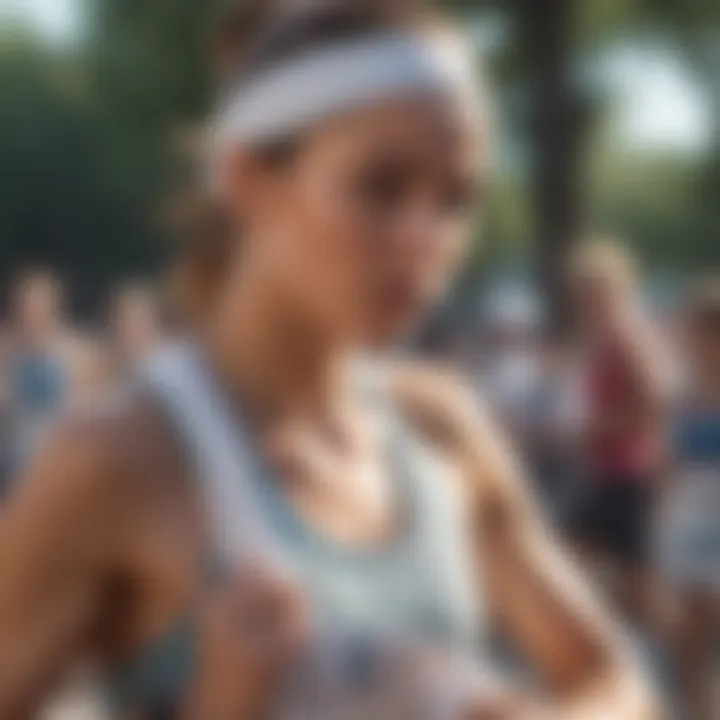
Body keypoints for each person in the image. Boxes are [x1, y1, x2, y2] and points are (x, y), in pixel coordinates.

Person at [0, 2, 657, 718]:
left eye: (457, 199)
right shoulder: (122, 458)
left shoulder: (440, 426)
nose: (424, 239)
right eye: (382, 187)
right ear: (247, 178)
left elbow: (613, 677)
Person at [567, 239, 671, 627]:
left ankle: (687, 649)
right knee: (573, 572)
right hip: (607, 474)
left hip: (629, 475)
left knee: (638, 594)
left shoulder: (628, 337)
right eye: (582, 291)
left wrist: (593, 428)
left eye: (594, 290)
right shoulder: (608, 339)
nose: (585, 300)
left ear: (619, 289)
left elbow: (656, 404)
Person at [660, 279, 720, 720]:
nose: (693, 340)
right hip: (686, 518)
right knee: (687, 638)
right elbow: (669, 459)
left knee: (704, 624)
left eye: (701, 332)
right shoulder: (684, 388)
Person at [0, 268, 101, 487]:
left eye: (39, 306)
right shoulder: (5, 351)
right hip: (11, 468)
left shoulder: (76, 353)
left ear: (54, 309)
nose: (32, 314)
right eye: (26, 307)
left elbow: (90, 414)